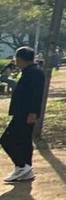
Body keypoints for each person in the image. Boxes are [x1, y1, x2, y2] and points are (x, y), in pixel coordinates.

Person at [3, 46, 44, 183]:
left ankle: (22, 165)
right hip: (22, 112)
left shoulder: (35, 73)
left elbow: (36, 95)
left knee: (6, 140)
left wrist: (33, 112)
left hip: (26, 112)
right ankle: (25, 169)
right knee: (25, 140)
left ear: (20, 59)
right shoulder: (29, 71)